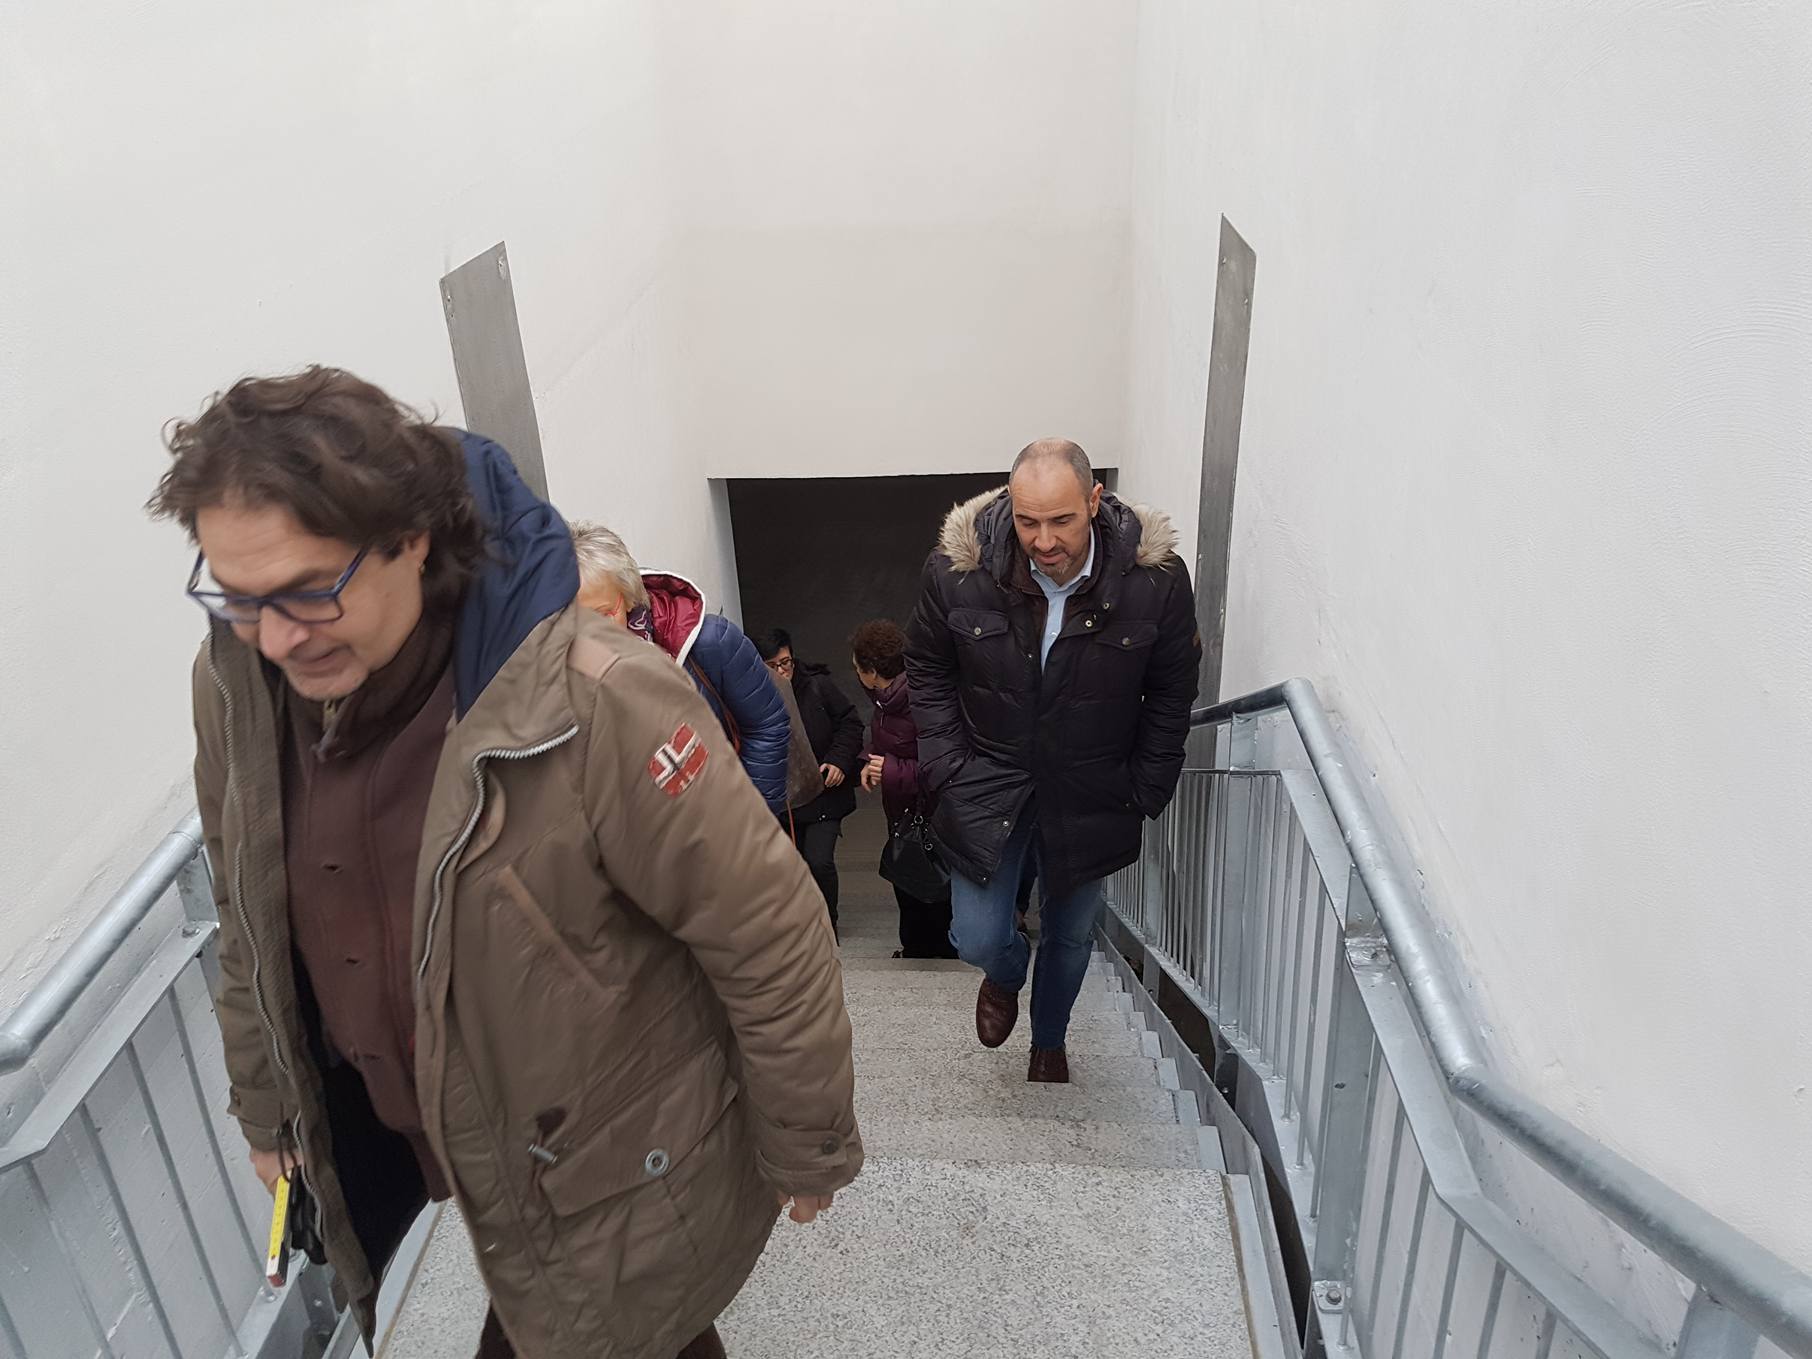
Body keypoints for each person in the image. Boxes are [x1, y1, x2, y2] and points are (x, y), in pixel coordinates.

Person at [151, 367, 862, 1359]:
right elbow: (248, 908)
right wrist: (270, 1109)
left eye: (311, 590)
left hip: (601, 1152)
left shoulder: (594, 696)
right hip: (416, 1131)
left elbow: (763, 923)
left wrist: (807, 1134)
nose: (274, 636)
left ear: (411, 537)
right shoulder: (234, 681)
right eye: (237, 596)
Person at [905, 439, 1200, 1084]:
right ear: (1009, 507)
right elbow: (926, 668)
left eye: (1061, 520)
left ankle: (1049, 1043)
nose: (1043, 540)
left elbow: (1172, 690)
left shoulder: (1155, 582)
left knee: (1070, 931)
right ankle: (1006, 973)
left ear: (1094, 501)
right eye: (1027, 521)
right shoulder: (957, 572)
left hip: (1093, 787)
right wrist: (947, 764)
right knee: (977, 936)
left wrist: (1146, 785)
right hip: (987, 781)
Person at [571, 523, 790, 814]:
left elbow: (767, 726)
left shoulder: (710, 642)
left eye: (602, 615)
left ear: (629, 596)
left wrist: (750, 817)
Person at [850, 619, 958, 960]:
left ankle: (942, 950)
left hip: (929, 811)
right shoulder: (885, 700)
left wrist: (889, 769)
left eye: (857, 667)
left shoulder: (919, 700)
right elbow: (888, 744)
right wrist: (870, 761)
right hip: (901, 808)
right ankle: (915, 948)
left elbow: (942, 764)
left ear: (872, 672)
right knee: (907, 876)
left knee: (931, 881)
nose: (855, 673)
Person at [753, 629, 863, 930]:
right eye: (772, 666)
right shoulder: (753, 697)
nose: (782, 671)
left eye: (786, 662)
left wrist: (838, 761)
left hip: (823, 792)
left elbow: (851, 724)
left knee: (819, 860)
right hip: (783, 800)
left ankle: (828, 923)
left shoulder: (817, 685)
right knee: (791, 865)